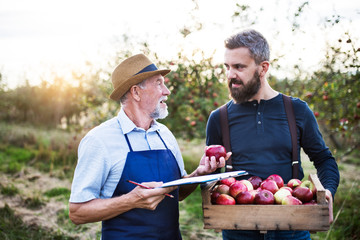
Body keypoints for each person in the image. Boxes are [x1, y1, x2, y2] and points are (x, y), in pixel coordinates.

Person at [69, 53, 230, 239]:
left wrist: (198, 174)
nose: (167, 91)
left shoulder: (165, 135)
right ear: (136, 92)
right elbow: (77, 212)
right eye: (159, 83)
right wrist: (132, 200)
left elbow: (177, 193)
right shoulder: (100, 140)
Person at [206, 29, 340, 240]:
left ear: (263, 68)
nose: (231, 75)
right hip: (239, 230)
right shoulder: (218, 118)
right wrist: (206, 175)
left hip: (292, 228)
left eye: (239, 67)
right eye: (227, 67)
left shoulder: (297, 110)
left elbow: (324, 159)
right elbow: (211, 178)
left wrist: (328, 191)